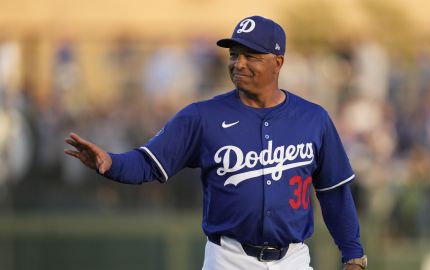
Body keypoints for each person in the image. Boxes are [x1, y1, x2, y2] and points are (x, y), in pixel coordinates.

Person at [64, 15, 367, 270]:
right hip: (228, 258)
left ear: (278, 62)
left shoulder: (313, 119)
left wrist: (353, 254)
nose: (239, 64)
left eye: (252, 56)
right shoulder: (203, 117)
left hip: (293, 259)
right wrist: (110, 163)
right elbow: (148, 163)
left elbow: (334, 192)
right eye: (234, 54)